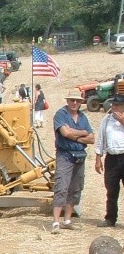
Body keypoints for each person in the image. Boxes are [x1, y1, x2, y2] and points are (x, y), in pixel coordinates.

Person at [51, 90, 95, 233]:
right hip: (65, 155)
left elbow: (92, 138)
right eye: (72, 100)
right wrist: (82, 133)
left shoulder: (83, 117)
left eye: (77, 100)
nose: (74, 103)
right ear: (67, 101)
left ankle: (67, 220)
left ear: (81, 101)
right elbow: (65, 133)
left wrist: (75, 135)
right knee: (61, 186)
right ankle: (56, 222)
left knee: (76, 188)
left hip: (80, 155)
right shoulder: (60, 114)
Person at [94, 94, 124, 227]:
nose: (115, 107)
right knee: (111, 189)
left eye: (118, 105)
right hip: (111, 158)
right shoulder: (106, 120)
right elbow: (100, 139)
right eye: (113, 104)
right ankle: (110, 218)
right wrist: (98, 158)